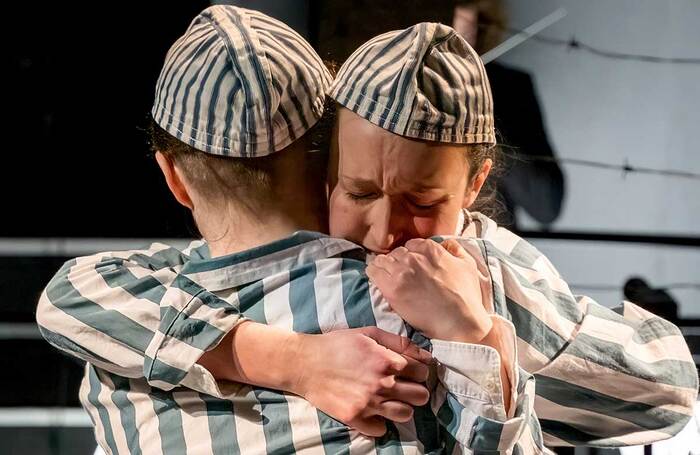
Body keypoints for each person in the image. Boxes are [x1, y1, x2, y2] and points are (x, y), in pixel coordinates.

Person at [37, 6, 697, 454]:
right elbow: (669, 389)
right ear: (327, 154)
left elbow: (64, 296)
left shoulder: (125, 327)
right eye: (360, 192)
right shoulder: (466, 287)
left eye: (419, 200)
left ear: (174, 178)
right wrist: (479, 329)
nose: (385, 233)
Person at [452, 0, 565, 229]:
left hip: (485, 255)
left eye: (469, 27)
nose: (459, 39)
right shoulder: (392, 86)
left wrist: (486, 130)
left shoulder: (510, 89)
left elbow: (546, 206)